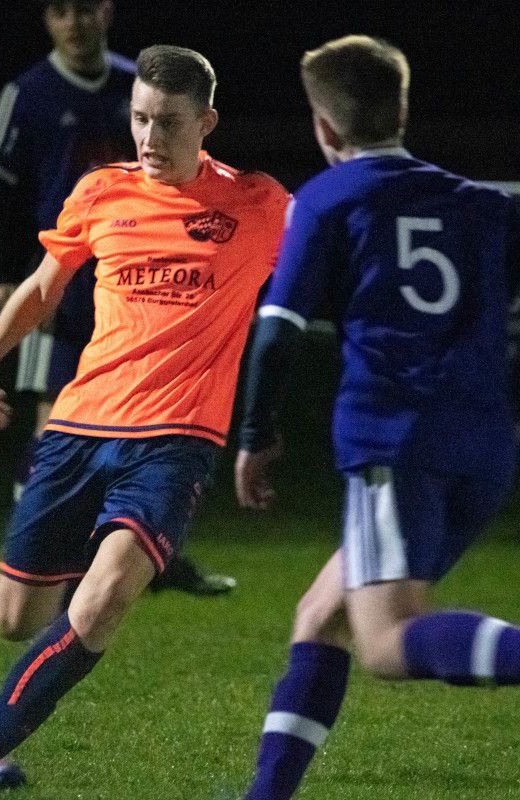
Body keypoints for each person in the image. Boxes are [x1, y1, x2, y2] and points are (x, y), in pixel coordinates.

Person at [0, 44, 290, 786]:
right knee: (14, 618)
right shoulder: (101, 191)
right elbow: (44, 286)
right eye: (139, 119)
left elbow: (332, 252)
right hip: (78, 426)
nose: (149, 138)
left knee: (102, 601)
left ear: (207, 123)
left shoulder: (257, 205)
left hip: (176, 437)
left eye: (168, 122)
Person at [235, 35, 520, 800]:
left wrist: (256, 436)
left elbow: (277, 333)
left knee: (387, 643)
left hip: (396, 441)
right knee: (320, 615)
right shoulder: (479, 202)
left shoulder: (328, 197)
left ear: (324, 127)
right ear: (401, 109)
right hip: (485, 446)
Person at [0, 0, 236, 595]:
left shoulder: (138, 85)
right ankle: (43, 558)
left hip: (143, 283)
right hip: (67, 280)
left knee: (155, 424)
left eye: (86, 9)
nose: (75, 23)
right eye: (61, 11)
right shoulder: (29, 93)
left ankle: (152, 553)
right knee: (55, 424)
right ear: (47, 20)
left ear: (107, 13)